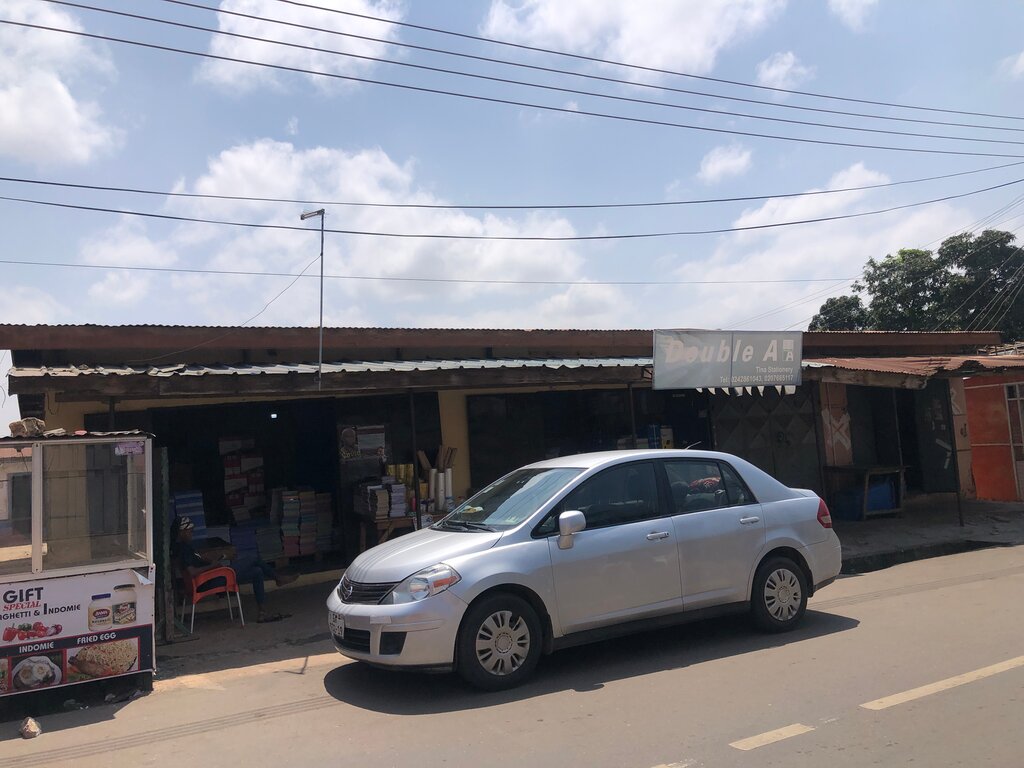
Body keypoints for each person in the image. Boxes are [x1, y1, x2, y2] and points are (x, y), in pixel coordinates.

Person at [173, 516, 296, 624]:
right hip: (212, 580)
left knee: (257, 571)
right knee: (253, 558)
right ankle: (277, 578)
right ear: (182, 532)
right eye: (189, 532)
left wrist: (212, 560)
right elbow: (192, 572)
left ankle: (262, 612)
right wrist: (213, 566)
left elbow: (197, 562)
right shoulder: (185, 550)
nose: (191, 534)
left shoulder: (184, 548)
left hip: (212, 577)